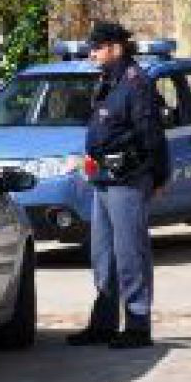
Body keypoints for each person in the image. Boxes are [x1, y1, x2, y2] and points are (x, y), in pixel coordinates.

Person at [68, 21, 171, 349]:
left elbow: (151, 134)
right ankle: (104, 322)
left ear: (116, 48)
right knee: (103, 254)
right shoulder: (109, 81)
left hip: (128, 178)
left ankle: (138, 324)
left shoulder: (135, 83)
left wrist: (158, 175)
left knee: (130, 254)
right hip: (103, 178)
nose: (92, 53)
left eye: (97, 47)